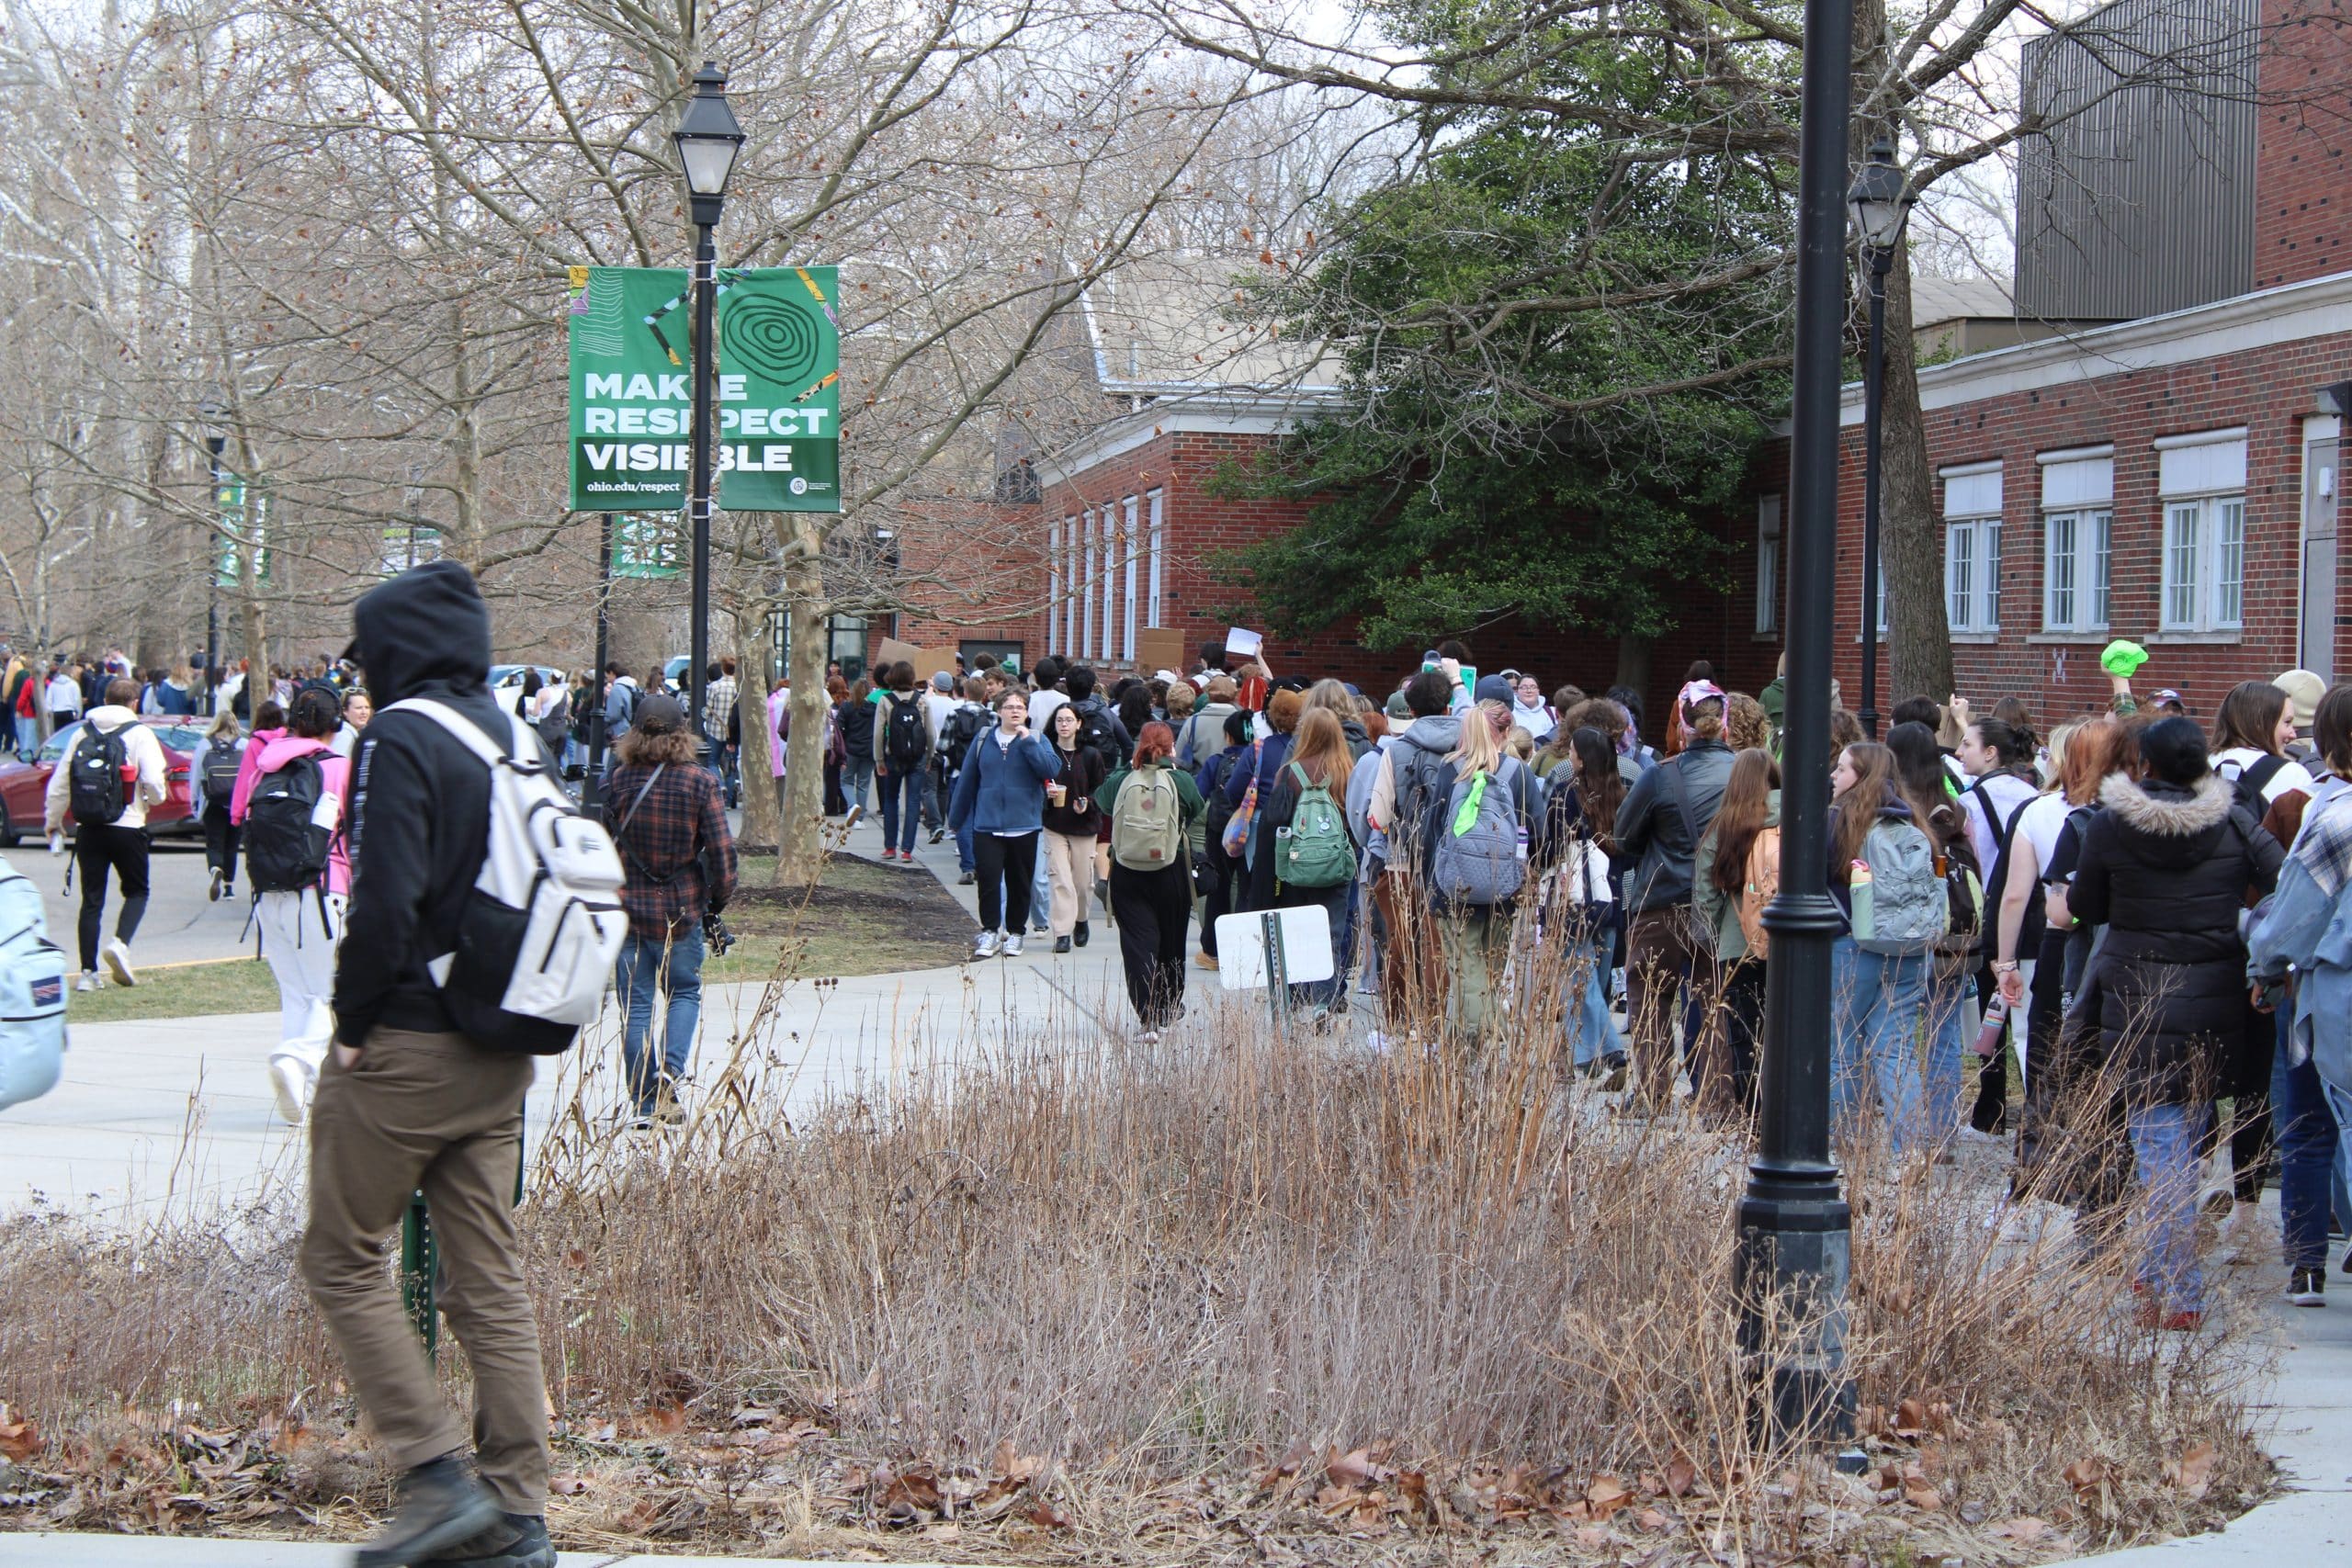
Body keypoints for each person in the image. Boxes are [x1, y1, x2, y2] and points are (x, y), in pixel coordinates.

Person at [301, 560, 561, 1568]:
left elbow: (384, 897)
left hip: (407, 1042)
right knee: (486, 1276)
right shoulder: (515, 735)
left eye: (367, 654)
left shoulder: (401, 735)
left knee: (341, 1255)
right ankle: (518, 1514)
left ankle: (433, 1477)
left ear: (395, 650)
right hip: (503, 1045)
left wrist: (352, 1022)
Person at [2066, 716, 2281, 1329]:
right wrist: (2252, 935)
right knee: (2179, 1137)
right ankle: (2158, 1271)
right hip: (2213, 999)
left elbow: (2085, 905)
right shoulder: (2234, 819)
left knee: (2160, 1147)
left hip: (2137, 1000)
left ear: (2146, 765)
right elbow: (2282, 881)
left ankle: (2177, 1290)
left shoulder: (2112, 824)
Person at [2247, 682, 2352, 1307]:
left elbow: (2292, 914)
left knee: (2312, 1124)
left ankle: (2308, 1263)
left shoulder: (2333, 818)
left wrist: (2263, 967)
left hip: (2333, 992)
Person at [2207, 679, 2314, 1245]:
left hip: (2198, 942)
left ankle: (2196, 1184)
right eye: (2286, 721)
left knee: (2196, 1073)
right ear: (2260, 721)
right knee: (2257, 1079)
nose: (2292, 732)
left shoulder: (2197, 773)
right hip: (2261, 942)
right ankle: (2247, 1216)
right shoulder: (2292, 780)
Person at [603, 694, 738, 1129]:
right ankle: (669, 1072)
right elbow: (722, 854)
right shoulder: (700, 782)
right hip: (682, 909)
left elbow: (601, 848)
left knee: (636, 1006)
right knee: (683, 992)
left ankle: (645, 1102)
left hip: (629, 909)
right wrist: (716, 903)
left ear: (634, 734)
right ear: (683, 734)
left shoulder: (617, 781)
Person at [232, 685, 351, 1125]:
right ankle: (295, 1058)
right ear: (335, 724)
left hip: (268, 893)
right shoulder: (339, 767)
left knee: (295, 994)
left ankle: (302, 1092)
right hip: (321, 890)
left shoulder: (266, 765)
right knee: (324, 993)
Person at [1613, 683, 1736, 1111]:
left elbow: (1623, 837)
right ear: (1725, 725)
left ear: (1682, 727)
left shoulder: (1660, 775)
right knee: (1714, 1001)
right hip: (1721, 905)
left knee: (1650, 997)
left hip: (1661, 901)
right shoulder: (1744, 774)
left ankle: (1652, 1093)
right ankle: (1717, 1099)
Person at [1825, 741, 1935, 1152]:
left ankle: (1844, 1145)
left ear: (1862, 775)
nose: (1833, 776)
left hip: (1851, 945)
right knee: (1897, 1049)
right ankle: (1912, 1149)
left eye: (1841, 769)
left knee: (1842, 1045)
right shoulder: (1911, 821)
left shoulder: (1838, 821)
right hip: (1908, 947)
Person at [1886, 719, 1981, 1145]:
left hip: (1905, 938)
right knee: (1944, 1035)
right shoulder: (1956, 810)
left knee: (1898, 1035)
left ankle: (1906, 1132)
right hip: (1955, 940)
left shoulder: (1894, 811)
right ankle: (1944, 1133)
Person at [43, 678, 166, 992]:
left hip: (89, 828)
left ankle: (87, 973)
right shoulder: (140, 733)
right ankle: (120, 944)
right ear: (134, 703)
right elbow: (154, 782)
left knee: (91, 900)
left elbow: (60, 783)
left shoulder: (82, 733)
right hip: (129, 825)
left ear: (105, 700)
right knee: (137, 891)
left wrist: (53, 821)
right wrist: (152, 800)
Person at [1954, 713, 2041, 1131]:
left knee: (1993, 1014)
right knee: (2028, 1016)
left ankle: (1991, 1107)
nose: (1959, 752)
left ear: (1990, 753)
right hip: (2034, 918)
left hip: (1991, 914)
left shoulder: (1969, 803)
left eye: (1967, 744)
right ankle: (2035, 1105)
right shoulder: (2033, 795)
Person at [1095, 722, 1204, 1039]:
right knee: (1171, 942)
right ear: (1171, 748)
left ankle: (1147, 1017)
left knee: (1137, 944)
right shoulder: (1181, 780)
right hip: (1171, 869)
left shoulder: (1121, 779)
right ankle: (1168, 1008)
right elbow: (1197, 809)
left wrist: (1130, 766)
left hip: (1127, 871)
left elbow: (1103, 802)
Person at [1249, 707, 1358, 1013]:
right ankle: (1325, 1000)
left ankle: (1295, 998)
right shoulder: (1347, 771)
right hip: (1336, 867)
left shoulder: (1289, 772)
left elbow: (1276, 820)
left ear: (1305, 734)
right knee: (1331, 933)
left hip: (1296, 866)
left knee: (1296, 931)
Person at [1691, 746, 1779, 1110]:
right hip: (1792, 939)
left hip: (1738, 942)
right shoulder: (1801, 816)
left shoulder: (1725, 825)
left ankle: (1755, 1116)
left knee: (1745, 1033)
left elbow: (1706, 894)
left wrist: (1712, 936)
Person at [1544, 726, 1629, 1077]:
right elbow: (1629, 850)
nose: (1569, 755)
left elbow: (1550, 847)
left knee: (1580, 980)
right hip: (1612, 898)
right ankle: (1586, 1056)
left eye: (1573, 751)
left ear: (1581, 759)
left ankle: (1608, 1050)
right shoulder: (1622, 795)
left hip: (1574, 898)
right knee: (1596, 979)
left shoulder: (1567, 795)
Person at [948, 686, 1059, 956]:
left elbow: (1050, 769)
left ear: (1027, 712)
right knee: (988, 880)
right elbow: (968, 779)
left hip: (1024, 824)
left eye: (1020, 707)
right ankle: (989, 932)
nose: (1015, 711)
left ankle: (1016, 933)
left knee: (1019, 883)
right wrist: (956, 818)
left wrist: (1028, 742)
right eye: (1010, 707)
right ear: (999, 711)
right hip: (987, 825)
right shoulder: (984, 739)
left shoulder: (1036, 738)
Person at [1039, 703, 1108, 951]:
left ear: (1079, 724)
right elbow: (1036, 782)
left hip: (1084, 825)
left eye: (1069, 720)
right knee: (1060, 879)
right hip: (1054, 823)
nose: (1064, 725)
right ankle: (1062, 933)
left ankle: (1081, 920)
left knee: (1082, 883)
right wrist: (1045, 793)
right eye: (1059, 720)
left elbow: (1101, 788)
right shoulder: (1047, 753)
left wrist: (1087, 802)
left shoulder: (1090, 755)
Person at [872, 664, 933, 863]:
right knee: (913, 801)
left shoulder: (885, 700)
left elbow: (878, 733)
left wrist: (879, 760)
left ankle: (890, 847)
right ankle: (907, 850)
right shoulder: (921, 700)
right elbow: (930, 733)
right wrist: (930, 756)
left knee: (891, 799)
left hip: (894, 756)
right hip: (917, 756)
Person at [189, 706, 246, 901]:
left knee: (214, 843)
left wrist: (194, 801)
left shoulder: (205, 745)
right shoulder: (243, 745)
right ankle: (229, 887)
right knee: (232, 845)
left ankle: (215, 868)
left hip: (212, 801)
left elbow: (196, 775)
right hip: (236, 801)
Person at [837, 675, 877, 822]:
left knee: (846, 781)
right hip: (869, 750)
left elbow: (839, 728)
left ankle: (852, 805)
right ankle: (859, 818)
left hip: (851, 749)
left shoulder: (847, 707)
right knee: (863, 784)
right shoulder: (874, 708)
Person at [700, 659, 738, 792]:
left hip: (715, 730)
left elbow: (707, 710)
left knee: (712, 761)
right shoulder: (739, 687)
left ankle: (719, 786)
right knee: (731, 765)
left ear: (723, 669)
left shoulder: (714, 687)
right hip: (733, 733)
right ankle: (729, 798)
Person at [333, 687, 374, 759]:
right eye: (358, 708)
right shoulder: (345, 735)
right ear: (345, 711)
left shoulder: (349, 732)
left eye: (367, 707)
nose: (364, 712)